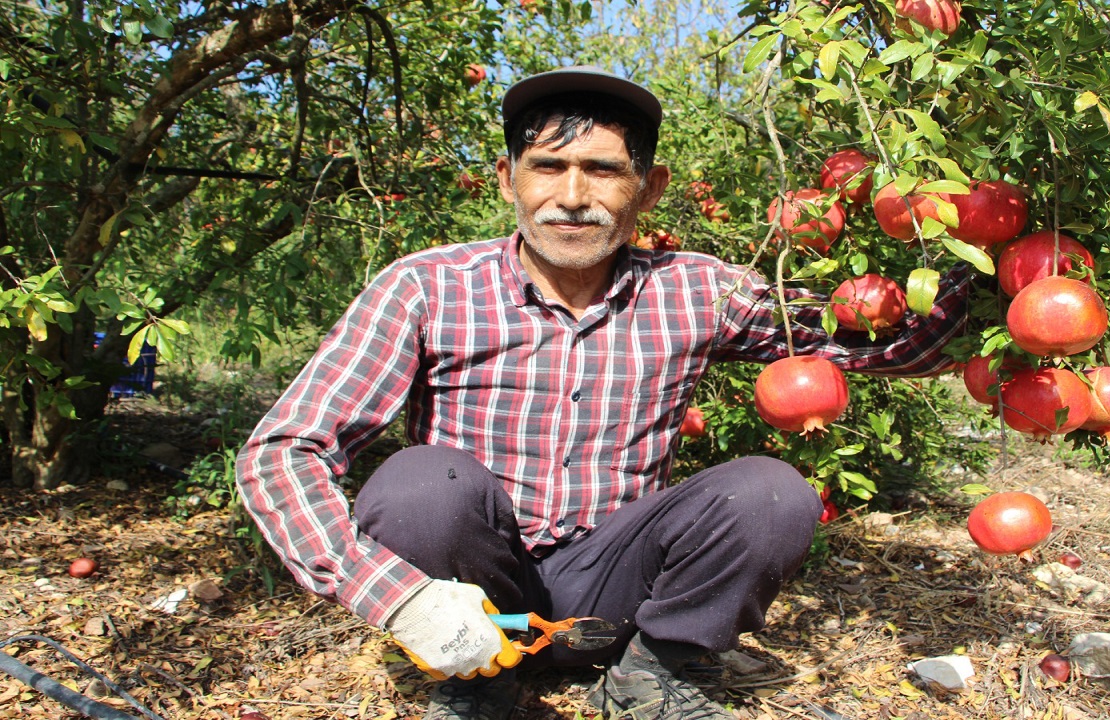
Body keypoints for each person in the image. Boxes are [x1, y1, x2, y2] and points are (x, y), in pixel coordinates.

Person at [236, 66, 971, 720]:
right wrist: (397, 595)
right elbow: (282, 452)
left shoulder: (700, 290)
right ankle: (478, 684)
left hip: (617, 591)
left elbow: (872, 339)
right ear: (507, 178)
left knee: (772, 492)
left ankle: (658, 671)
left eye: (603, 170)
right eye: (547, 167)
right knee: (420, 485)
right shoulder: (427, 287)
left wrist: (994, 277)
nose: (572, 197)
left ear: (648, 189)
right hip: (475, 599)